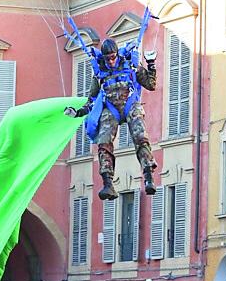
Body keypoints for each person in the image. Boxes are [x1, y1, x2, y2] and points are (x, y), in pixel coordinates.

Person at [64, 36, 158, 199]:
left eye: (113, 58)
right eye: (108, 59)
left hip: (130, 104)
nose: (111, 62)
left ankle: (149, 176)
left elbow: (151, 84)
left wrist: (151, 64)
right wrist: (77, 112)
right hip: (111, 108)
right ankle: (108, 184)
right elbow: (92, 100)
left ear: (117, 55)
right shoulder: (100, 73)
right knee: (103, 142)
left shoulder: (131, 66)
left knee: (140, 137)